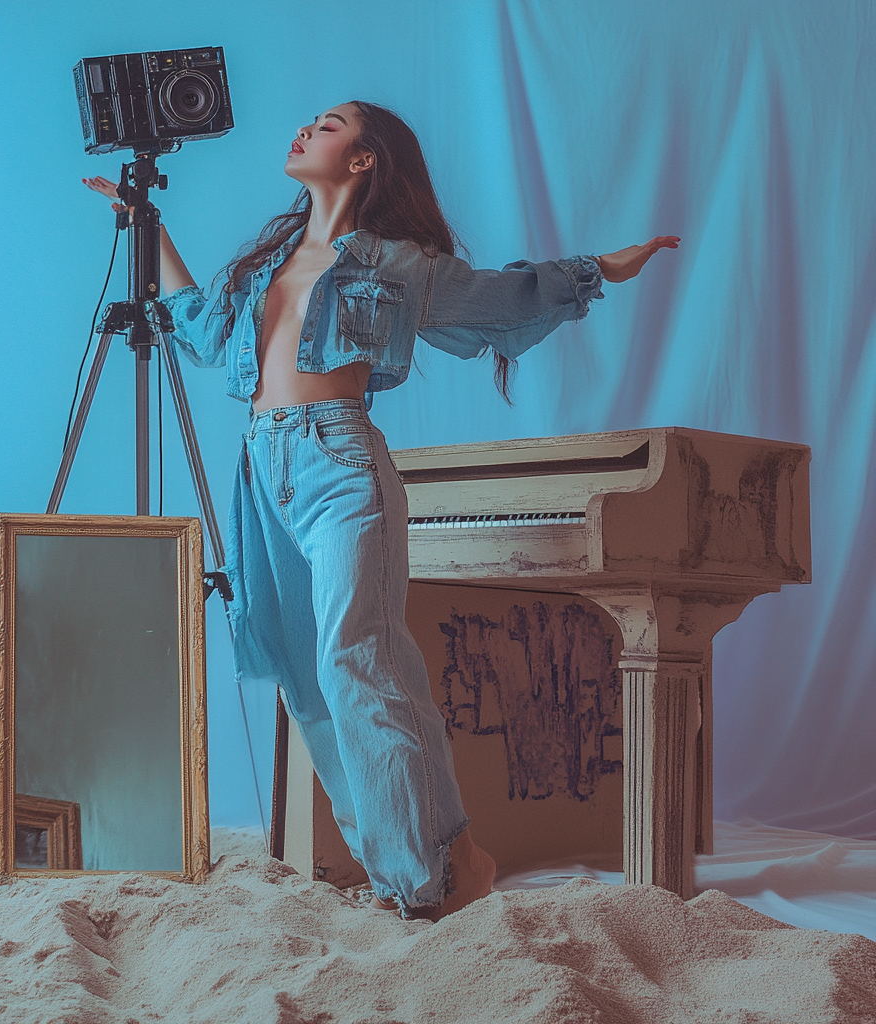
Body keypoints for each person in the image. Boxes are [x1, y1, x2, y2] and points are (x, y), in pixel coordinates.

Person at [83, 100, 679, 921]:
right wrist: (147, 229)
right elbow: (201, 328)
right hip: (261, 472)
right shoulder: (270, 265)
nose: (302, 130)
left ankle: (433, 873)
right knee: (307, 681)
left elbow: (501, 298)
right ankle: (405, 869)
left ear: (364, 160)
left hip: (339, 464)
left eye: (326, 126)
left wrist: (598, 270)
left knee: (358, 660)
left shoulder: (398, 263)